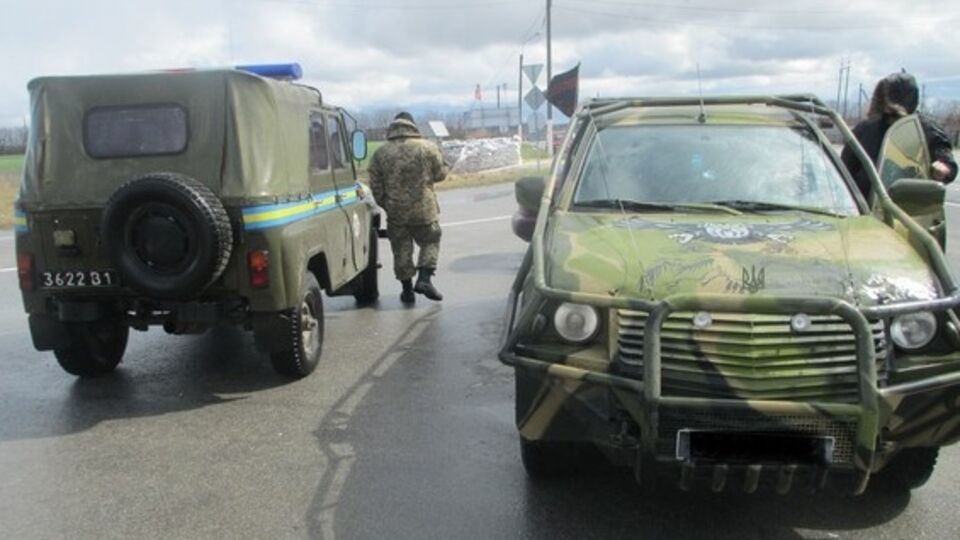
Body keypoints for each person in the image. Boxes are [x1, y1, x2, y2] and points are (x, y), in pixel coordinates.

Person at [368, 112, 447, 304]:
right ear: (412, 125)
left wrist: (387, 203)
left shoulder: (380, 153)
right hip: (424, 209)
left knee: (401, 250)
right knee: (430, 240)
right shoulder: (427, 147)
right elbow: (440, 174)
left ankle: (407, 291)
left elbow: (375, 186)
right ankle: (424, 279)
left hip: (396, 212)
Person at [841, 71, 958, 201]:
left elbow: (945, 158)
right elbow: (844, 169)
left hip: (910, 207)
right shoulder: (866, 128)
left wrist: (944, 168)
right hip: (865, 205)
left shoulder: (926, 129)